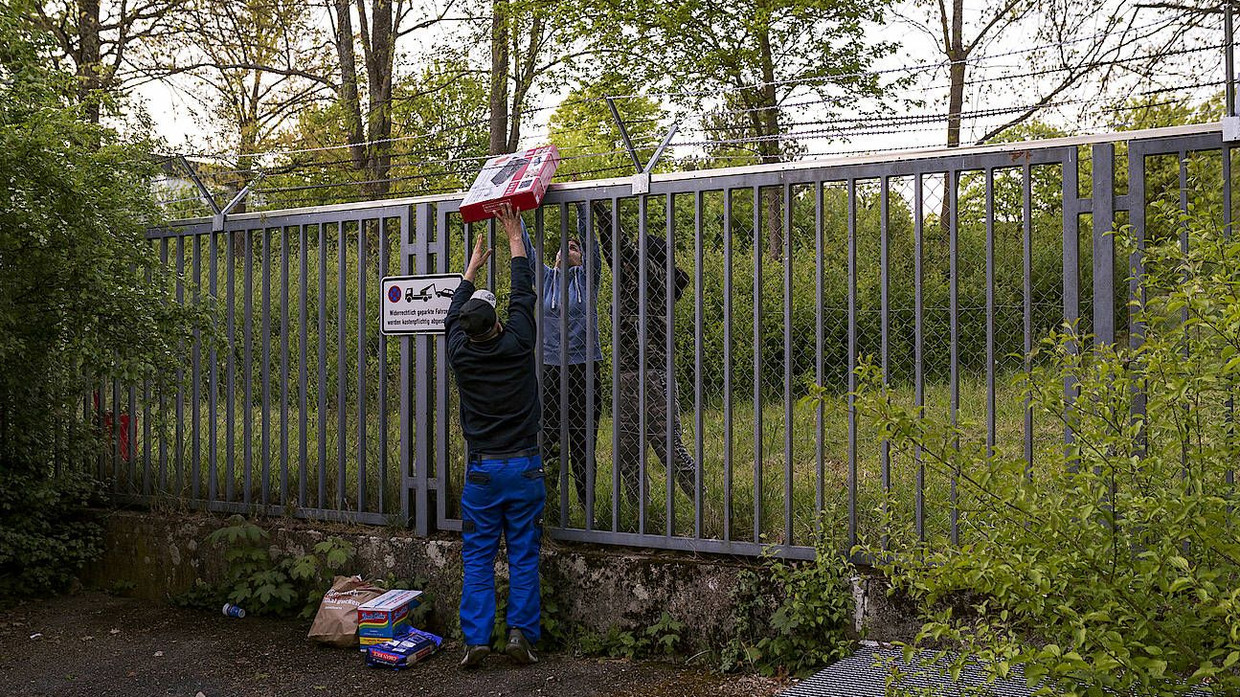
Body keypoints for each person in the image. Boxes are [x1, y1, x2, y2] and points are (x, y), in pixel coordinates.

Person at [445, 202, 543, 670]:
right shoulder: (519, 342)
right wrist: (514, 238)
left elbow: (451, 317)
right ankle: (521, 633)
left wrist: (469, 271)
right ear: (497, 321)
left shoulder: (461, 355)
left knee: (479, 557)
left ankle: (477, 640)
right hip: (523, 466)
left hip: (482, 471)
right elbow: (524, 293)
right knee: (523, 552)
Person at [590, 201, 696, 515]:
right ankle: (642, 518)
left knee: (670, 450)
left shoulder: (653, 277)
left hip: (652, 375)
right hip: (628, 374)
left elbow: (620, 249)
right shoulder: (633, 280)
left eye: (638, 248)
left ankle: (708, 508)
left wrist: (601, 211)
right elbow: (616, 252)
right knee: (628, 455)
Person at [522, 206, 602, 522]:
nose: (569, 250)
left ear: (581, 257)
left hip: (585, 368)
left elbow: (592, 246)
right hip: (551, 370)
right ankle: (550, 510)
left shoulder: (587, 279)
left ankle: (589, 513)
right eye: (564, 246)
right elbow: (527, 255)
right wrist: (518, 216)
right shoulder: (545, 279)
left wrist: (582, 207)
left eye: (574, 247)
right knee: (549, 442)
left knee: (583, 445)